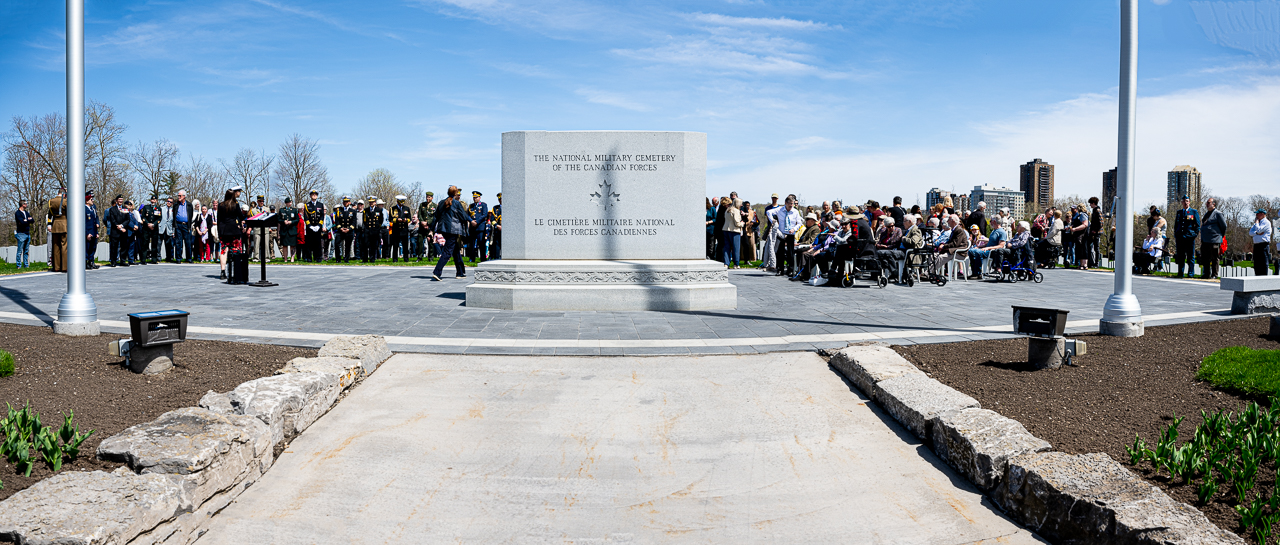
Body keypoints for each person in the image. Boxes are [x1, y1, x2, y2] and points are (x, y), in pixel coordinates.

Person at [432, 186, 471, 280]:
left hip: (443, 229)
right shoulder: (456, 203)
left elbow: (435, 217)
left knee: (455, 250)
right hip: (453, 230)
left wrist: (431, 229)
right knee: (448, 251)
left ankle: (460, 272)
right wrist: (471, 221)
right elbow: (464, 216)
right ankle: (437, 272)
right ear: (455, 193)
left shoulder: (441, 203)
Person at [217, 189, 245, 281]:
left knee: (223, 251)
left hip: (223, 231)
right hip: (233, 230)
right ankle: (236, 271)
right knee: (236, 249)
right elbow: (241, 216)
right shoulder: (235, 204)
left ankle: (223, 271)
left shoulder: (220, 205)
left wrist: (219, 232)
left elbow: (219, 220)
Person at [773, 197, 801, 277]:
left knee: (790, 253)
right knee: (780, 252)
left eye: (792, 204)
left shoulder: (795, 212)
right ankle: (780, 269)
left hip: (790, 234)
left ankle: (790, 270)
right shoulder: (780, 210)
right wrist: (774, 222)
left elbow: (799, 223)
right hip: (781, 233)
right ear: (786, 203)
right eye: (790, 204)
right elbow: (768, 212)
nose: (791, 205)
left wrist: (794, 229)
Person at [1200, 197, 1227, 279]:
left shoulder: (1218, 214)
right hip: (1205, 240)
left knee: (1214, 258)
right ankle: (1206, 274)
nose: (1207, 204)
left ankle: (1214, 274)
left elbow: (1224, 226)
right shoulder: (1206, 214)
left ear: (1213, 204)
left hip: (1214, 240)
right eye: (1206, 203)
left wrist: (1219, 236)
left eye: (1208, 203)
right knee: (1205, 258)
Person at [1173, 196, 1200, 278]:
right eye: (1184, 201)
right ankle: (1180, 273)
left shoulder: (1193, 212)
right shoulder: (1179, 212)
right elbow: (1176, 225)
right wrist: (1176, 234)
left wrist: (1194, 234)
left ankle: (1190, 273)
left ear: (1189, 202)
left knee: (1190, 256)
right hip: (1180, 237)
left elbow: (1197, 225)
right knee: (1180, 256)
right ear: (1182, 202)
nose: (1185, 203)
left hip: (1189, 238)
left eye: (1187, 201)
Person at [46, 187, 68, 272]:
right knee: (64, 246)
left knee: (55, 247)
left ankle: (56, 267)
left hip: (55, 224)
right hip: (64, 224)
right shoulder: (65, 201)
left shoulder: (51, 201)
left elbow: (49, 215)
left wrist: (49, 224)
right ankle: (64, 267)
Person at [170, 190, 195, 263]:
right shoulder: (176, 205)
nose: (178, 197)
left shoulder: (189, 205)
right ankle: (178, 258)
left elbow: (191, 215)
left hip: (186, 225)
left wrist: (189, 224)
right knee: (178, 242)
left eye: (180, 196)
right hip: (178, 225)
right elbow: (174, 215)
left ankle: (189, 258)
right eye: (178, 196)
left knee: (188, 242)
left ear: (184, 196)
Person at [139, 195, 163, 264]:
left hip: (154, 229)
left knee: (154, 244)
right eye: (152, 200)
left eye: (154, 200)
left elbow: (159, 218)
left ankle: (154, 259)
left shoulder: (158, 209)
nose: (153, 201)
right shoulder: (146, 207)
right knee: (145, 244)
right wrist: (148, 224)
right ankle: (143, 259)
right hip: (146, 228)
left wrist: (154, 224)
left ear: (156, 201)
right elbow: (143, 217)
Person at [302, 190, 325, 262]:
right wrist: (310, 226)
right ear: (310, 196)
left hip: (318, 227)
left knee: (318, 243)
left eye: (315, 194)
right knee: (309, 243)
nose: (314, 195)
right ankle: (309, 258)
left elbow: (322, 216)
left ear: (317, 196)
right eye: (312, 194)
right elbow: (306, 216)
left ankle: (318, 257)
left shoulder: (320, 205)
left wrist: (319, 225)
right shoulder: (307, 205)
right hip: (310, 227)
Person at [721, 197, 743, 268]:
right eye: (741, 204)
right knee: (735, 248)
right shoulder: (736, 210)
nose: (741, 205)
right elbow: (737, 223)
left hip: (725, 229)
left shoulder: (727, 209)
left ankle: (726, 263)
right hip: (734, 230)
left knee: (726, 247)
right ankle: (736, 264)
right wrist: (742, 224)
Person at [389, 195, 412, 262]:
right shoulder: (393, 208)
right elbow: (390, 219)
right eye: (400, 202)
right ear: (397, 201)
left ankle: (406, 258)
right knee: (395, 245)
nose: (401, 204)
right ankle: (395, 259)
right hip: (396, 229)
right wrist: (396, 220)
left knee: (405, 245)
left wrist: (406, 220)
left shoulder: (406, 208)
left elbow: (409, 218)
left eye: (402, 202)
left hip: (404, 229)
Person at [1249, 209, 1272, 276]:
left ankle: (1263, 278)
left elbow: (1259, 230)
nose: (1256, 215)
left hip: (1263, 245)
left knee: (1263, 263)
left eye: (1258, 214)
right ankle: (1257, 276)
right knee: (1257, 263)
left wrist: (1256, 224)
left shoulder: (1266, 222)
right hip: (1256, 245)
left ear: (1262, 214)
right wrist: (1256, 232)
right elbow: (1250, 233)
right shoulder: (1257, 223)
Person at [277, 197, 299, 262]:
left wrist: (291, 222)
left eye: (291, 202)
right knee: (285, 245)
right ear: (286, 203)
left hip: (292, 230)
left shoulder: (294, 210)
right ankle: (285, 259)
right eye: (289, 202)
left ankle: (292, 258)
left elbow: (297, 219)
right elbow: (278, 219)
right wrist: (283, 221)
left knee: (292, 245)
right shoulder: (281, 210)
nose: (290, 203)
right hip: (284, 230)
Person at [13, 200, 33, 269]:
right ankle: (18, 265)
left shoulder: (26, 213)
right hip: (21, 233)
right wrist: (27, 220)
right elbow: (21, 222)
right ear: (22, 205)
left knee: (26, 251)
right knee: (20, 251)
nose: (26, 204)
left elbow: (32, 220)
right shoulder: (18, 213)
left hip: (27, 233)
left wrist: (26, 220)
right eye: (25, 203)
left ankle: (26, 265)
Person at [83, 192, 100, 269]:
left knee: (93, 248)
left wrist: (96, 232)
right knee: (87, 248)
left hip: (93, 231)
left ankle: (91, 261)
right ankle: (85, 262)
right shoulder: (84, 209)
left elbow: (95, 220)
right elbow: (84, 223)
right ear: (87, 201)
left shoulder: (93, 209)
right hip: (88, 232)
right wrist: (86, 233)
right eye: (91, 199)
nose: (92, 200)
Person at [1088, 196, 1103, 267]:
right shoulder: (1094, 211)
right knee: (1091, 246)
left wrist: (1095, 230)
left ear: (1093, 203)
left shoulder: (1097, 211)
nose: (1090, 205)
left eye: (1090, 203)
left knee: (1096, 248)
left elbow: (1101, 223)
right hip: (1094, 232)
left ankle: (1096, 263)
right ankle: (1091, 262)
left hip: (1096, 232)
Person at [159, 196, 174, 261]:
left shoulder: (173, 211)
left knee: (168, 245)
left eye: (170, 202)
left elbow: (174, 222)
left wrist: (173, 231)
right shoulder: (161, 209)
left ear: (172, 203)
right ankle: (158, 257)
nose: (168, 203)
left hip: (169, 230)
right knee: (158, 244)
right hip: (161, 229)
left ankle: (169, 257)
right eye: (168, 201)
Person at [489, 192, 502, 260]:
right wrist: (497, 226)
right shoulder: (495, 208)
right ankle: (497, 258)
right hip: (498, 229)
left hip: (507, 230)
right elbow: (492, 220)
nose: (501, 200)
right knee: (497, 244)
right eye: (499, 199)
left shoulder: (509, 207)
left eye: (502, 199)